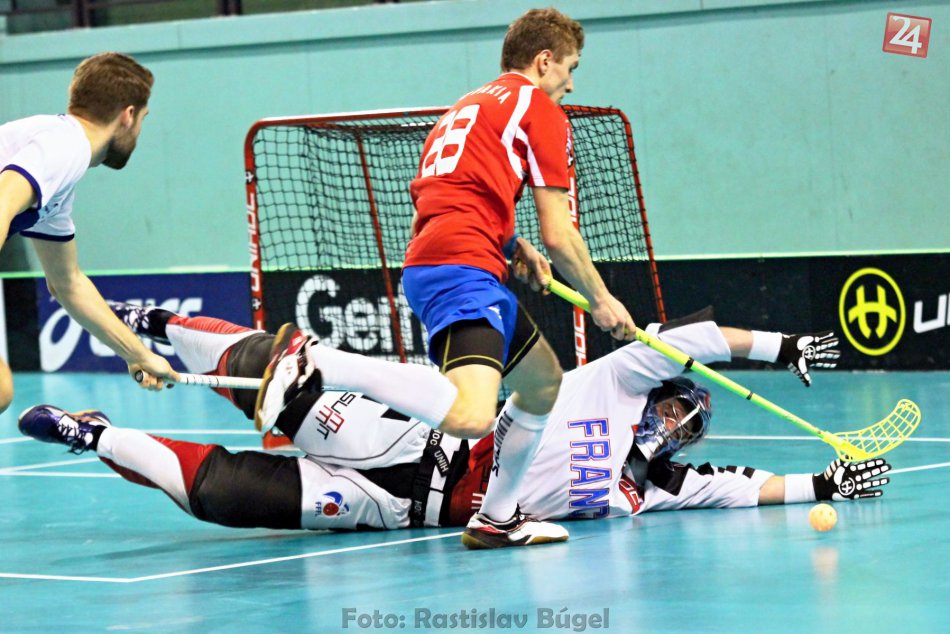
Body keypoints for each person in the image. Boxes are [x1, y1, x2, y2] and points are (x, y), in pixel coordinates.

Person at [256, 7, 636, 549]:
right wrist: (601, 299)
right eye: (569, 68)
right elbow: (559, 231)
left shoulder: (469, 105)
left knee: (542, 383)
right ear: (543, 60)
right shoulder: (540, 109)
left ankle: (497, 518)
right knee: (470, 415)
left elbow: (452, 192)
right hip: (462, 266)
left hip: (444, 258)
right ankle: (313, 360)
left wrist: (511, 244)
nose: (570, 84)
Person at [19, 303, 887, 539]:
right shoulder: (616, 380)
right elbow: (696, 339)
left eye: (687, 423)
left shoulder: (650, 488)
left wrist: (825, 484)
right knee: (277, 384)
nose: (675, 420)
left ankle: (94, 433)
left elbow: (741, 487)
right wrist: (781, 346)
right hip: (415, 445)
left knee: (227, 495)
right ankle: (154, 324)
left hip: (402, 511)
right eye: (677, 401)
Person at [0, 52, 178, 413]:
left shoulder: (58, 179)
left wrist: (138, 354)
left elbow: (68, 284)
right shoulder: (65, 146)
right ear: (128, 115)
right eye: (143, 119)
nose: (139, 131)